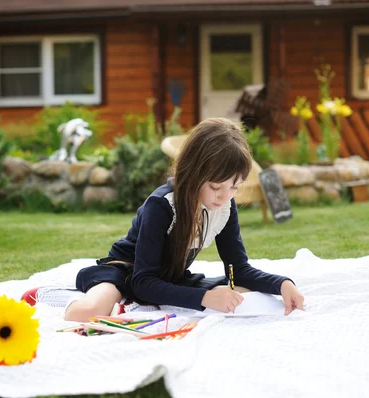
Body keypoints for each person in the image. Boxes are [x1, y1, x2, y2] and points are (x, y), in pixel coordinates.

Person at [22, 118, 304, 322]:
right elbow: (143, 280)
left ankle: (130, 308)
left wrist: (282, 283)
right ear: (193, 174)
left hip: (168, 277)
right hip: (127, 271)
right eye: (216, 187)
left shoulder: (224, 205)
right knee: (85, 314)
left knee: (240, 291)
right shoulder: (162, 205)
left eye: (234, 187)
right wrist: (204, 298)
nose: (224, 196)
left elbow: (237, 270)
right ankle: (60, 295)